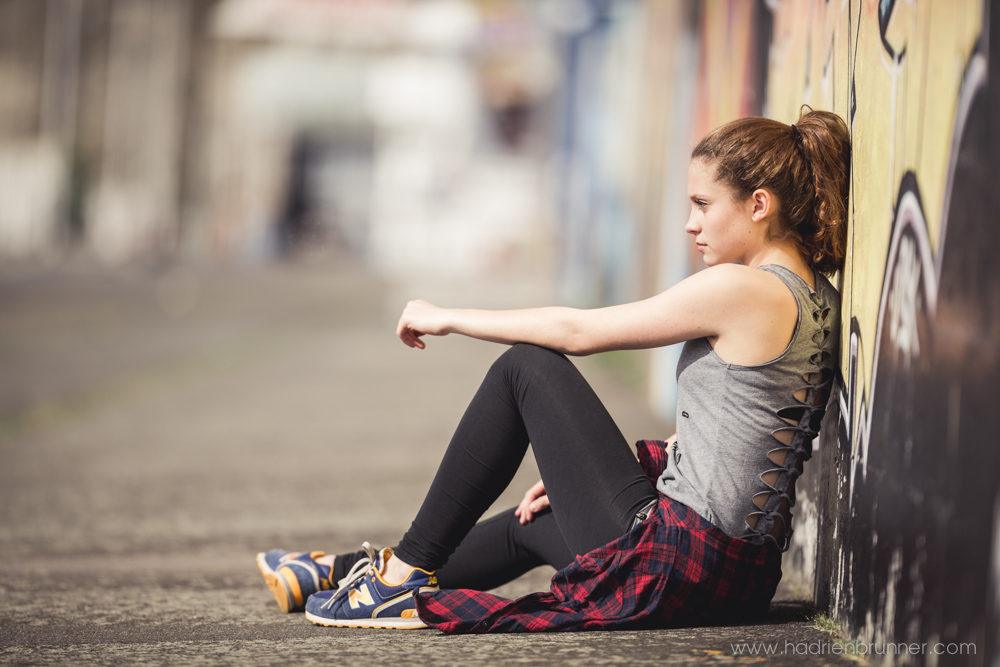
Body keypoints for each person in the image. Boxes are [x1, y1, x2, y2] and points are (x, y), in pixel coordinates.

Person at [256, 108, 851, 633]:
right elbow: (737, 435)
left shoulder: (742, 289)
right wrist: (587, 473)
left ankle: (398, 578)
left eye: (702, 204)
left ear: (758, 205)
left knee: (526, 367)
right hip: (737, 578)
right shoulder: (815, 296)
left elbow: (578, 334)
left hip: (682, 560)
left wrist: (449, 316)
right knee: (532, 521)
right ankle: (341, 573)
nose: (691, 224)